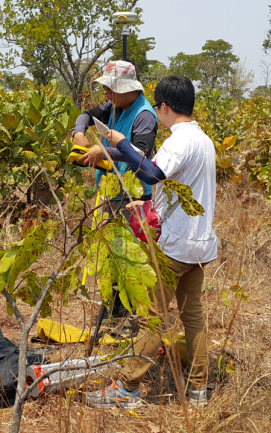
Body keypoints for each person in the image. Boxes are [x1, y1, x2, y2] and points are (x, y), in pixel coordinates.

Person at [85, 76, 218, 408]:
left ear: (164, 107)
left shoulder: (179, 140)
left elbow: (152, 174)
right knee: (192, 315)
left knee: (152, 317)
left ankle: (127, 389)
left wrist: (120, 142)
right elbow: (178, 187)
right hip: (200, 245)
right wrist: (147, 206)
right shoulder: (204, 140)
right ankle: (198, 389)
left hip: (176, 248)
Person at [74, 60, 158, 321]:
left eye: (111, 89)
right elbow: (86, 115)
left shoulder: (144, 116)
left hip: (132, 196)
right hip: (111, 193)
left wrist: (105, 151)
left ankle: (126, 318)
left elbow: (141, 153)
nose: (106, 95)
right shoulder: (114, 106)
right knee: (111, 257)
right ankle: (113, 314)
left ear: (127, 89)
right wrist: (79, 133)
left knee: (127, 259)